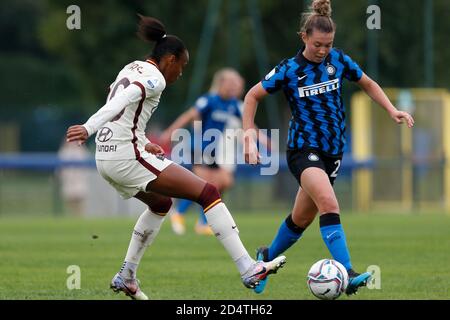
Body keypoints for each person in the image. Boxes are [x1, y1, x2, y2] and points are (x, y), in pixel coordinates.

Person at [65, 15, 286, 300]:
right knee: (208, 192)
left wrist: (143, 142)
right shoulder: (155, 78)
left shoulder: (131, 67)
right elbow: (121, 101)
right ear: (170, 59)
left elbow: (120, 106)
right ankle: (248, 269)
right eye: (181, 66)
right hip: (124, 156)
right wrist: (88, 127)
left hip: (107, 157)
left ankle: (127, 275)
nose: (180, 73)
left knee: (161, 204)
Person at [242, 0, 414, 295]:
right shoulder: (289, 69)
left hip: (333, 152)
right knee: (330, 204)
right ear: (304, 37)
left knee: (301, 220)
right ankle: (348, 274)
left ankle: (265, 259)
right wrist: (248, 134)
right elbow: (252, 96)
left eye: (328, 44)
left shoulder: (339, 60)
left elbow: (369, 83)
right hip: (303, 150)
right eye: (318, 44)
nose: (323, 51)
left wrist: (391, 109)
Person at [160, 68, 253, 236]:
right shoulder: (209, 100)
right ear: (221, 83)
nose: (234, 88)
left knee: (220, 184)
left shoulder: (234, 105)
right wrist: (170, 131)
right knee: (207, 186)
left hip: (219, 152)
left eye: (236, 85)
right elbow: (189, 115)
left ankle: (183, 214)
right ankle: (195, 220)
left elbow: (248, 125)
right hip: (203, 148)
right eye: (230, 84)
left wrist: (261, 140)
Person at [57, 139, 91, 216]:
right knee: (70, 203)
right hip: (68, 181)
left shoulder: (82, 151)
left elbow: (87, 167)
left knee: (80, 202)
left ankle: (80, 218)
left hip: (80, 181)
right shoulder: (64, 152)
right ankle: (71, 218)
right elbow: (60, 168)